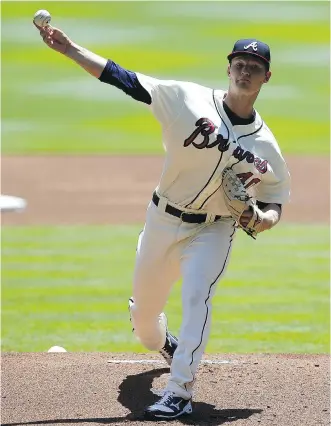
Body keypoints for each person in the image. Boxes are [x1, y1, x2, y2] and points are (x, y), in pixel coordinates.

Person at [34, 23, 290, 420]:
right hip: (161, 220)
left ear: (266, 76)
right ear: (228, 68)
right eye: (240, 63)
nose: (245, 72)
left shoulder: (266, 146)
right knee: (144, 326)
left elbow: (274, 201)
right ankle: (162, 340)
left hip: (213, 229)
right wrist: (70, 49)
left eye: (254, 68)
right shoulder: (186, 99)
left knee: (196, 297)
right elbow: (123, 78)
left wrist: (259, 218)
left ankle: (180, 390)